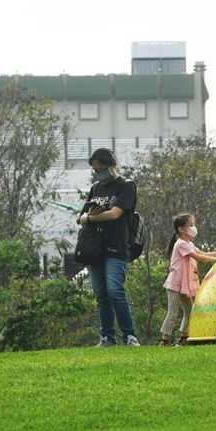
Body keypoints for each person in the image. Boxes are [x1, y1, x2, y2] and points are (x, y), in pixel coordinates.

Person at [79, 148, 140, 347]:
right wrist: (88, 217)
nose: (99, 173)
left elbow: (115, 214)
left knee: (115, 291)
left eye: (101, 168)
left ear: (112, 165)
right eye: (95, 170)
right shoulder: (96, 188)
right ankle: (107, 337)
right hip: (94, 249)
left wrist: (91, 218)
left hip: (116, 248)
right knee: (101, 295)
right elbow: (81, 218)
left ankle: (129, 335)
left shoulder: (126, 186)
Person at [159, 213, 216, 346]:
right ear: (181, 229)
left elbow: (203, 254)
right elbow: (199, 258)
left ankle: (184, 337)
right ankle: (165, 340)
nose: (193, 228)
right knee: (173, 312)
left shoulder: (189, 244)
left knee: (189, 312)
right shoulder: (181, 244)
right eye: (191, 225)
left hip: (184, 285)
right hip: (175, 284)